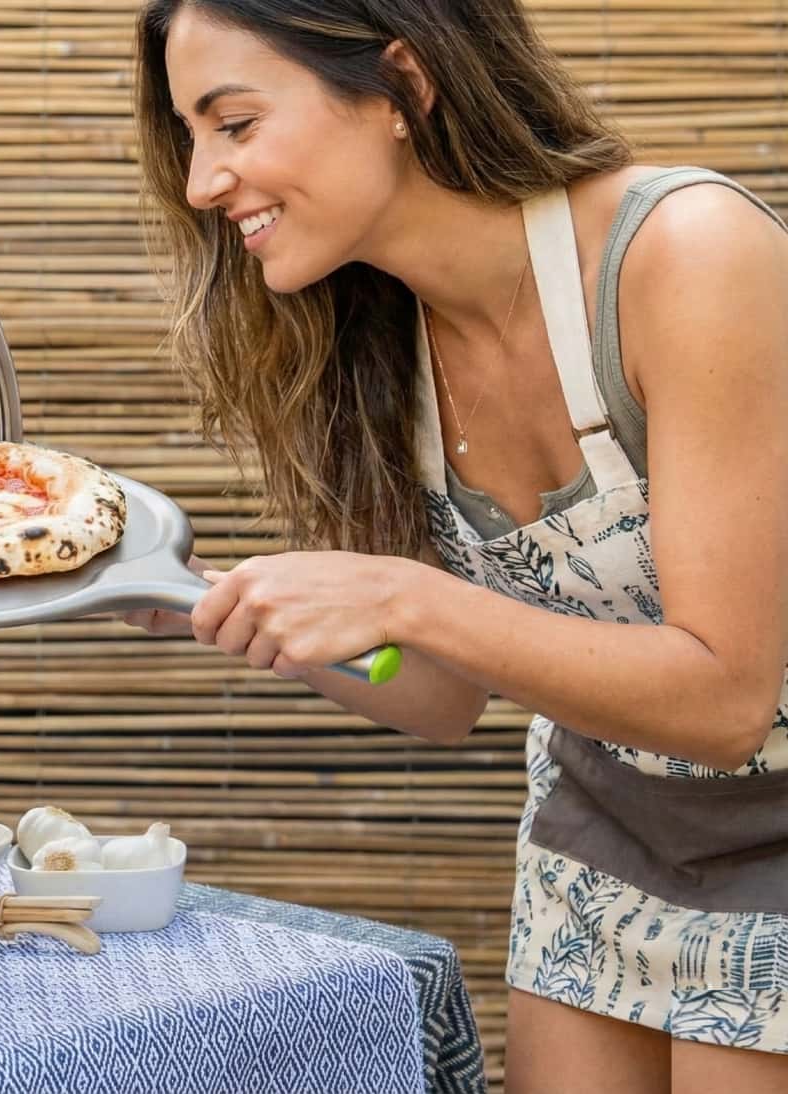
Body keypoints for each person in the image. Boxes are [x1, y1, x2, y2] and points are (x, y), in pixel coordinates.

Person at [126, 0, 788, 1089]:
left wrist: (399, 596)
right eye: (190, 138)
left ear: (403, 86)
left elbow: (725, 700)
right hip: (608, 830)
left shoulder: (681, 254)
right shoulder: (376, 340)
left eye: (234, 124)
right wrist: (204, 596)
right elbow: (436, 689)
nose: (202, 182)